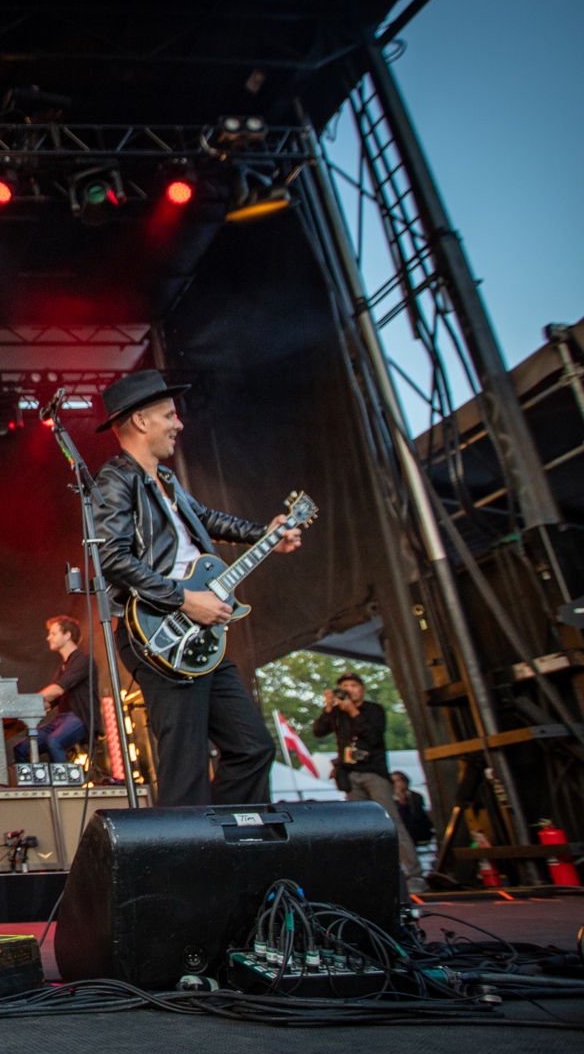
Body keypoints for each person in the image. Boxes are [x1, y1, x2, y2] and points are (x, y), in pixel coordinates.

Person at [91, 370, 301, 808]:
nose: (178, 424)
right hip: (160, 632)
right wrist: (186, 599)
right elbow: (111, 558)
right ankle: (190, 864)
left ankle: (229, 844)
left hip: (199, 635)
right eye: (169, 415)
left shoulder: (164, 480)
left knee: (252, 747)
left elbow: (208, 520)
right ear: (142, 421)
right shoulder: (116, 480)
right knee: (185, 767)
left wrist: (266, 533)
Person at [313, 672, 424, 887]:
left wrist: (353, 711)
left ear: (362, 688)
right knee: (360, 827)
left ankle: (414, 874)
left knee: (390, 822)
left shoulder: (374, 710)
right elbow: (318, 731)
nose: (349, 689)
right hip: (350, 775)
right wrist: (328, 707)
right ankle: (369, 876)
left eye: (353, 685)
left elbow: (374, 736)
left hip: (374, 772)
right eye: (345, 686)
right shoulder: (337, 713)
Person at [14, 616, 89, 764]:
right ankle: (35, 787)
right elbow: (51, 701)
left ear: (67, 636)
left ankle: (64, 785)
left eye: (53, 634)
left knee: (54, 741)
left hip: (81, 717)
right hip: (62, 719)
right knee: (21, 748)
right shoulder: (63, 666)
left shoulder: (82, 660)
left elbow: (58, 689)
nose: (49, 638)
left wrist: (24, 702)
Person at [392, 769, 435, 846]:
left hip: (417, 830)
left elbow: (416, 815)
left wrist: (402, 802)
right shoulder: (389, 799)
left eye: (397, 781)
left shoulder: (415, 796)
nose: (395, 784)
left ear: (405, 782)